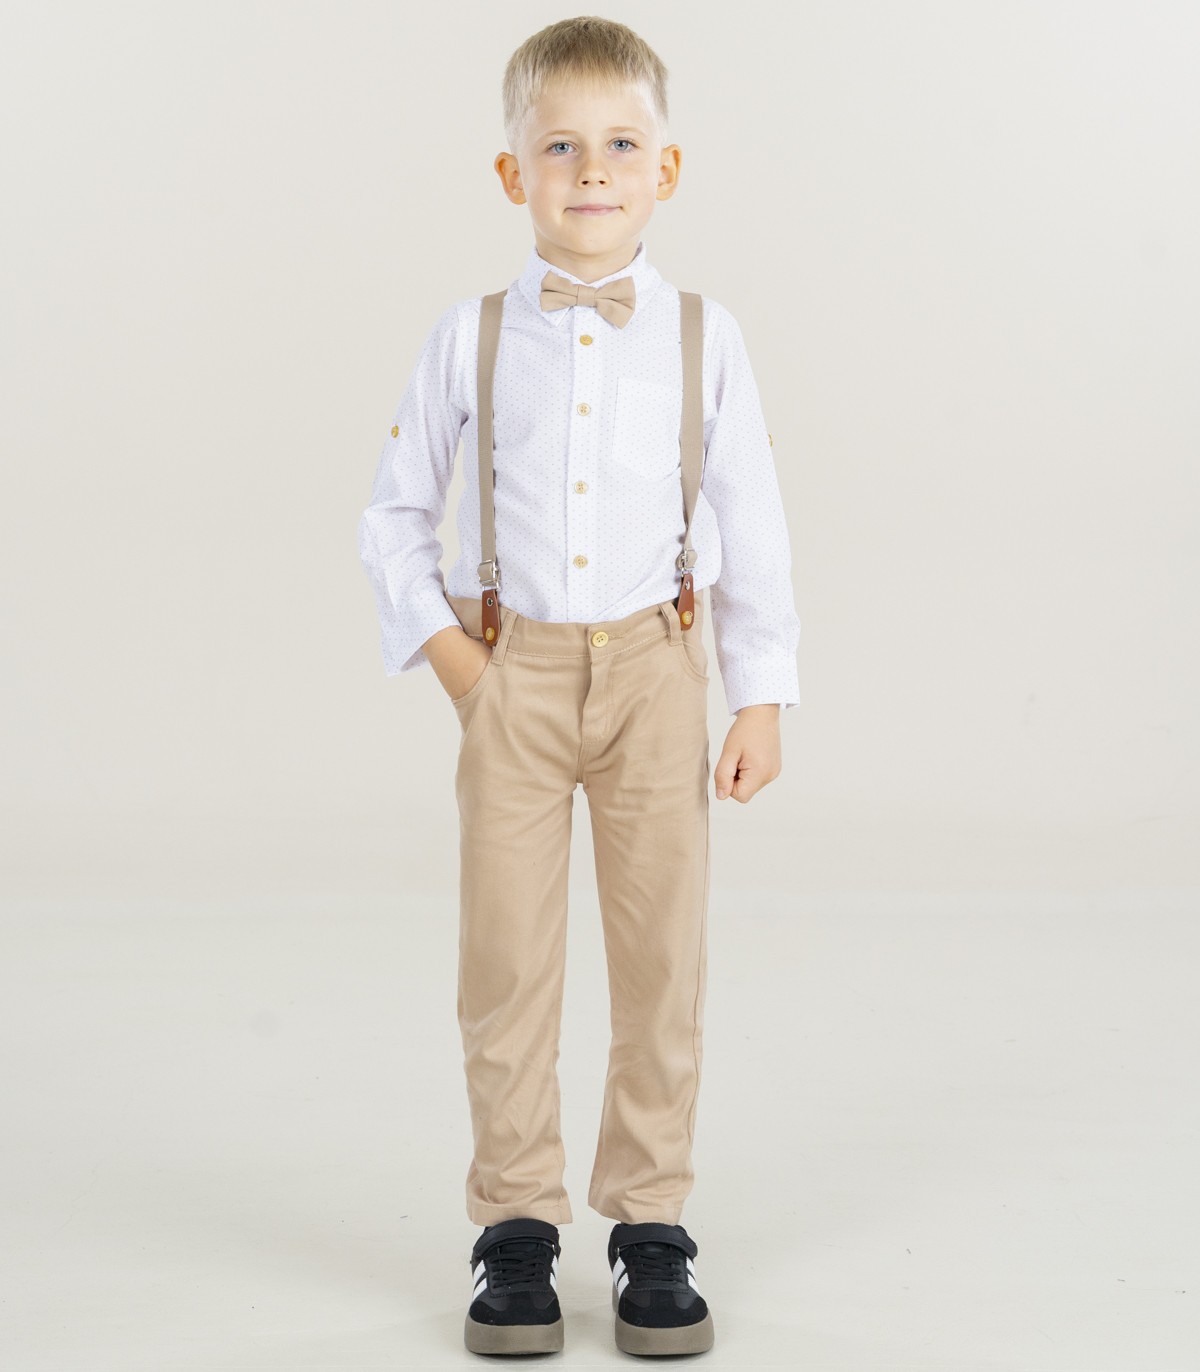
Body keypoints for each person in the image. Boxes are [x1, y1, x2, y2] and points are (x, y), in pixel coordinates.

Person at [356, 15, 800, 1358]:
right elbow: (394, 515)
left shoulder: (706, 337)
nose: (591, 171)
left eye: (619, 145)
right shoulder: (472, 336)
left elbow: (752, 519)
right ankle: (515, 1224)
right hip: (516, 671)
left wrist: (759, 691)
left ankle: (650, 1220)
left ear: (667, 169)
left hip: (658, 670)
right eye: (559, 148)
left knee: (662, 956)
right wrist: (461, 667)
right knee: (507, 961)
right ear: (513, 175)